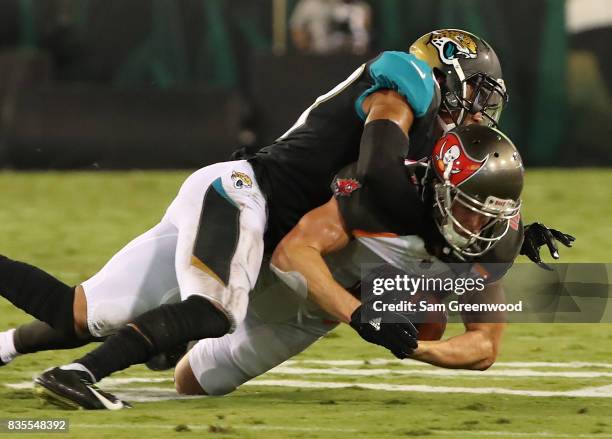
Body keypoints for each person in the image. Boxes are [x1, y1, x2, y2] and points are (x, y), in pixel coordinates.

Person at [0, 30, 570, 406]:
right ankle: (79, 376)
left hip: (256, 215)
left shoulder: (425, 146)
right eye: (475, 94)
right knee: (214, 311)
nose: (478, 111)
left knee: (79, 312)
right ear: (447, 77)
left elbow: (440, 198)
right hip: (247, 195)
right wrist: (429, 238)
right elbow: (378, 174)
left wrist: (498, 235)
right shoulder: (402, 91)